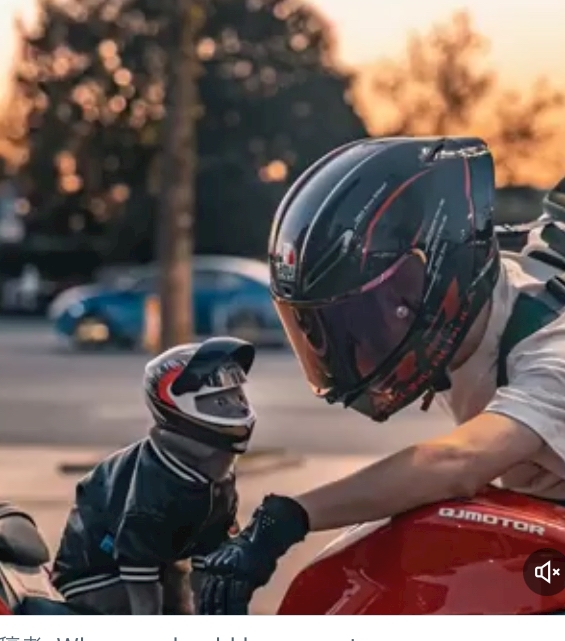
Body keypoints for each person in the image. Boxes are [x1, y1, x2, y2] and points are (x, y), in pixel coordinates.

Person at [196, 136, 565, 614]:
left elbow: (458, 463)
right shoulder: (479, 291)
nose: (353, 348)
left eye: (367, 319)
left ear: (426, 281)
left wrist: (287, 518)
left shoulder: (550, 352)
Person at [51, 336, 255, 614]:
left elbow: (211, 548)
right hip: (98, 571)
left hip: (161, 565)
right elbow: (137, 557)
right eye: (221, 402)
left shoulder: (218, 471)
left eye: (239, 396)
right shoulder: (157, 479)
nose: (240, 408)